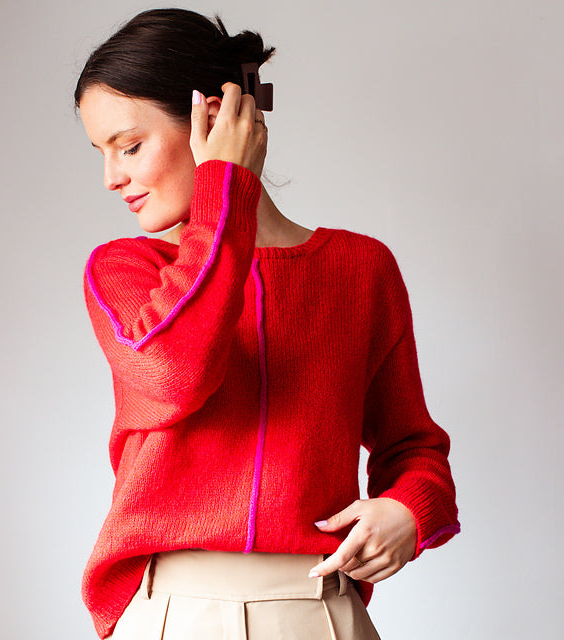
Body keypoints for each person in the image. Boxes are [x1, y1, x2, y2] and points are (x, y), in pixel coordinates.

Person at [73, 7, 461, 640]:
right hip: (172, 615)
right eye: (102, 153)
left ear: (213, 120)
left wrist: (408, 511)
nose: (112, 178)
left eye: (130, 146)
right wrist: (225, 189)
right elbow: (174, 373)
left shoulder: (360, 268)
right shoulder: (124, 270)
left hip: (321, 611)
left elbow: (414, 449)